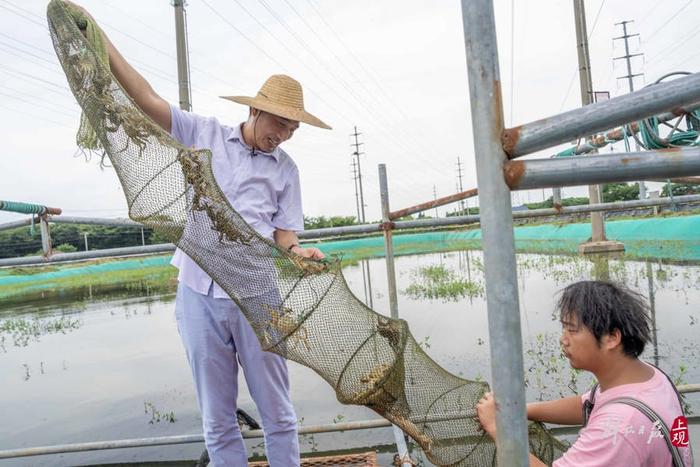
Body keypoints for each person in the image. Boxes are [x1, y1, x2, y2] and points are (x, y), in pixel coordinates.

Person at [67, 3, 329, 465]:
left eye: (292, 127)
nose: (284, 134)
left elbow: (285, 234)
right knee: (217, 417)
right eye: (279, 123)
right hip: (198, 292)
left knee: (278, 413)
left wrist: (298, 251)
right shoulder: (201, 132)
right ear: (254, 110)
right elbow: (146, 99)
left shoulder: (286, 170)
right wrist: (100, 39)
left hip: (258, 294)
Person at [477, 280, 693, 466]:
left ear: (611, 337)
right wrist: (519, 411)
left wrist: (498, 429)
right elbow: (586, 404)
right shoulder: (649, 377)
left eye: (572, 330)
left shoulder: (619, 428)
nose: (563, 339)